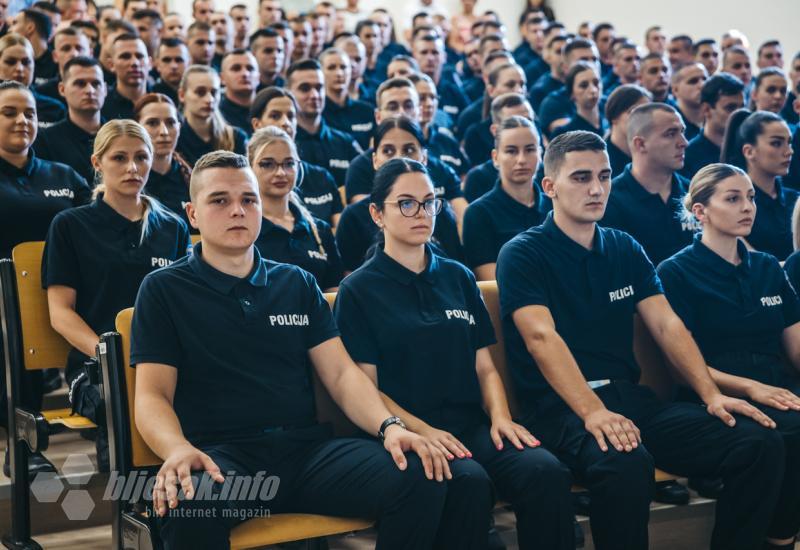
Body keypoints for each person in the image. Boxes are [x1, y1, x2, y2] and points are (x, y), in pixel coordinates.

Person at [131, 149, 455, 549]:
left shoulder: (297, 283)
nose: (238, 210)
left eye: (248, 199)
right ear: (192, 214)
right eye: (220, 200)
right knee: (189, 503)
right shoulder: (164, 289)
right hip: (224, 460)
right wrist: (177, 449)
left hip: (306, 454)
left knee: (421, 473)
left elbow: (341, 375)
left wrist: (390, 428)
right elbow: (151, 395)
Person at [496, 129, 784, 550]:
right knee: (625, 461)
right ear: (550, 186)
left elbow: (668, 326)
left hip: (631, 401)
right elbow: (542, 338)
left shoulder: (624, 247)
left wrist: (710, 394)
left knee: (757, 441)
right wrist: (593, 412)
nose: (597, 188)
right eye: (580, 178)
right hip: (559, 410)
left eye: (605, 175)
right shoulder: (523, 253)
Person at [335, 156, 575, 550]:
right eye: (407, 203)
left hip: (469, 426)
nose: (422, 213)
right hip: (410, 433)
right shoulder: (359, 290)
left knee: (544, 470)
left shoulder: (458, 276)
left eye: (430, 202)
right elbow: (366, 387)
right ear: (378, 214)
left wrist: (500, 418)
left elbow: (485, 368)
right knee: (468, 479)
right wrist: (423, 430)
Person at [658, 163, 800, 550]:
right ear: (701, 211)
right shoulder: (676, 272)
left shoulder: (768, 266)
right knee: (787, 432)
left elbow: (796, 346)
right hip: (714, 394)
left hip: (777, 387)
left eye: (751, 197)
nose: (747, 207)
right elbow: (684, 367)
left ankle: (780, 537)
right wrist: (753, 388)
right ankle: (778, 540)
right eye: (733, 198)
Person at [43, 119, 189, 472]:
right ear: (97, 163)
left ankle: (189, 503)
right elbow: (61, 313)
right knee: (119, 402)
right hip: (97, 368)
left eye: (141, 157)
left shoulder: (172, 227)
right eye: (119, 158)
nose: (132, 167)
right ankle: (131, 515)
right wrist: (109, 355)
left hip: (166, 363)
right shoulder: (70, 225)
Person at [0, 80, 90, 475]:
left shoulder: (65, 175)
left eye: (30, 113)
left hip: (60, 292)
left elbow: (93, 229)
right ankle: (20, 442)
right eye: (9, 113)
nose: (23, 120)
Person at [336, 117, 462, 272]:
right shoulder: (353, 216)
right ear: (375, 160)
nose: (399, 158)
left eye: (409, 150)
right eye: (388, 151)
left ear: (424, 157)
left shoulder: (439, 212)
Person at [343, 79, 466, 222]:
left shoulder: (441, 169)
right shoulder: (360, 167)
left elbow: (463, 220)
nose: (401, 113)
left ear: (419, 111)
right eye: (393, 107)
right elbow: (365, 221)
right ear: (378, 116)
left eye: (408, 106)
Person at [602, 103, 697, 266]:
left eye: (682, 132)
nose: (684, 143)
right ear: (640, 144)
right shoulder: (610, 201)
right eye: (671, 134)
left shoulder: (695, 192)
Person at [249, 127, 342, 291]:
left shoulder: (320, 230)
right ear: (250, 167)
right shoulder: (244, 227)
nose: (280, 172)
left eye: (289, 163)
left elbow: (334, 291)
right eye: (268, 164)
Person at [463, 116, 545, 281]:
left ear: (540, 153)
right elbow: (492, 283)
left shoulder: (556, 205)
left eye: (530, 150)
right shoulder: (478, 213)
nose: (521, 160)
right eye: (511, 151)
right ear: (495, 157)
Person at [250, 86, 343, 228]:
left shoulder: (321, 177)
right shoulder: (244, 179)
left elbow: (339, 234)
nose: (285, 122)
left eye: (291, 116)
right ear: (257, 124)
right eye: (275, 116)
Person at [721, 108, 797, 260]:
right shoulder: (731, 202)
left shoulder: (796, 199)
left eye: (789, 142)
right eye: (776, 143)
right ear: (749, 151)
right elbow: (749, 260)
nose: (789, 151)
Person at [288, 59, 362, 188]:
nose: (314, 95)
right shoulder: (285, 145)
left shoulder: (345, 142)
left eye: (319, 87)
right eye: (305, 88)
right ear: (289, 93)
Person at [35, 56, 106, 184]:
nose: (90, 90)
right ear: (62, 89)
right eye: (80, 83)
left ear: (105, 89)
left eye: (96, 83)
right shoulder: (45, 141)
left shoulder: (119, 136)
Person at [134, 93, 195, 231]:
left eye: (170, 123)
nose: (164, 131)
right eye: (153, 123)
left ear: (179, 127)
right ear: (137, 128)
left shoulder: (192, 180)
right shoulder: (129, 180)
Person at [177, 64, 248, 166]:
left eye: (214, 92)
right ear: (182, 95)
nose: (209, 99)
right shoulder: (176, 139)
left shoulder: (236, 138)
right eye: (200, 92)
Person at [682, 73, 745, 179]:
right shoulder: (688, 156)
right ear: (706, 109)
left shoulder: (747, 151)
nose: (738, 114)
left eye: (742, 107)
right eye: (730, 108)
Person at [409, 72, 470, 178]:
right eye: (421, 98)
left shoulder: (448, 141)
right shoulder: (398, 143)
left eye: (433, 97)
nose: (429, 104)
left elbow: (464, 178)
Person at [0, 33, 65, 126]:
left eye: (26, 62)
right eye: (10, 62)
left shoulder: (54, 109)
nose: (19, 68)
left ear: (34, 65)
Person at [320, 47, 374, 150]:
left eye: (343, 67)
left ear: (350, 71)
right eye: (331, 67)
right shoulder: (317, 113)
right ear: (321, 72)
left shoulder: (367, 111)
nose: (339, 73)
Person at [604, 84, 651, 177]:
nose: (643, 120)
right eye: (634, 111)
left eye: (648, 113)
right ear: (614, 117)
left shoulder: (651, 155)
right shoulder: (601, 160)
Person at [101, 34, 151, 120]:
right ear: (111, 64)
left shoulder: (164, 102)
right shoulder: (101, 105)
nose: (134, 63)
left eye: (140, 56)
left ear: (150, 63)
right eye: (125, 57)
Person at [552, 61, 606, 138]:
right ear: (571, 94)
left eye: (596, 83)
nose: (593, 90)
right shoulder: (564, 133)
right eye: (584, 85)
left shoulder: (612, 122)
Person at [218, 49, 259, 135]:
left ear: (258, 77)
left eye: (250, 69)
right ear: (222, 78)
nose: (245, 74)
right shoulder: (216, 115)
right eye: (236, 68)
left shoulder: (268, 110)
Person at [671, 62, 709, 141]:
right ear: (675, 90)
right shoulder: (670, 123)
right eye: (693, 81)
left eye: (705, 79)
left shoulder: (717, 117)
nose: (702, 85)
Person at [151, 37, 189, 106]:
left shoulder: (196, 94)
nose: (173, 66)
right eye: (166, 60)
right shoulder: (151, 96)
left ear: (189, 63)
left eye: (179, 60)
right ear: (157, 64)